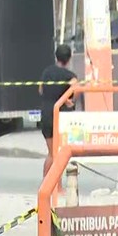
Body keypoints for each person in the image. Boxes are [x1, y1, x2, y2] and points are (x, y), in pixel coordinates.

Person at [38, 44, 79, 184]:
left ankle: (46, 184)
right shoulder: (70, 76)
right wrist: (70, 100)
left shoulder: (46, 72)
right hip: (59, 117)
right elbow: (76, 89)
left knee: (51, 153)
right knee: (59, 154)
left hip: (45, 114)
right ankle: (57, 187)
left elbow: (41, 90)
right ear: (69, 59)